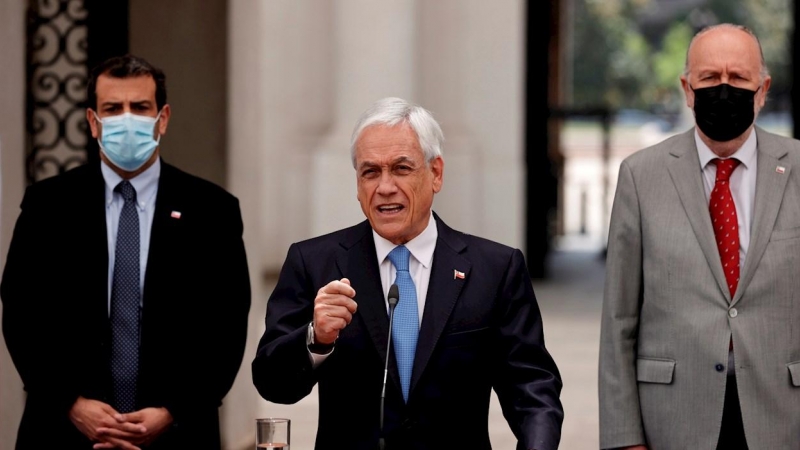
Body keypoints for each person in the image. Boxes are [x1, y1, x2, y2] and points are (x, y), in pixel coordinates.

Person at [252, 97, 563, 450]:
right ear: (358, 184)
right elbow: (272, 384)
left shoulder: (495, 268)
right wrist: (315, 338)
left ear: (435, 173)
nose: (384, 187)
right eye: (371, 172)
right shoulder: (314, 262)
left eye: (401, 168)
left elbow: (532, 389)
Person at [1, 54, 251, 449]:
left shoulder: (212, 210)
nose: (127, 119)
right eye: (113, 109)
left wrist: (171, 411)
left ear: (162, 118)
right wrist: (73, 404)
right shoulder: (47, 206)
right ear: (92, 121)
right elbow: (22, 314)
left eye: (140, 107)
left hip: (177, 435)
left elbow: (226, 325)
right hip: (63, 432)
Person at [599, 23, 800, 450]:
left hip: (783, 416)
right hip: (673, 416)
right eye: (709, 78)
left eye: (739, 78)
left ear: (762, 90)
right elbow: (619, 319)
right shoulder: (641, 175)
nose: (723, 90)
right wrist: (623, 437)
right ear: (687, 89)